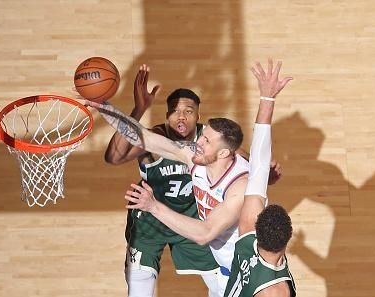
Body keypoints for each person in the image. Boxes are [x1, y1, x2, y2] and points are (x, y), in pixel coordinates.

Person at [84, 59, 292, 296]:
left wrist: (153, 206)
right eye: (202, 137)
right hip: (227, 270)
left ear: (224, 153)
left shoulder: (239, 189)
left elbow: (205, 233)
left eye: (205, 140)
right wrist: (103, 106)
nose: (197, 143)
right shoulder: (196, 156)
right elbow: (143, 136)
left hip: (245, 277)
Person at [105, 65, 220, 297]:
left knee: (223, 290)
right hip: (150, 224)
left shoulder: (209, 139)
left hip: (191, 221)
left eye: (188, 111)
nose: (181, 116)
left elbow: (238, 155)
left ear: (198, 116)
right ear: (167, 117)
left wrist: (265, 168)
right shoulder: (154, 138)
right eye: (175, 111)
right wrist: (138, 109)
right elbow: (113, 157)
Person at [223, 62, 296, 297]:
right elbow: (259, 166)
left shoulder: (247, 235)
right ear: (287, 241)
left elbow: (258, 165)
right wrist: (268, 98)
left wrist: (267, 98)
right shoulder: (275, 291)